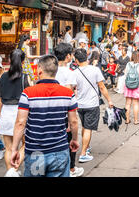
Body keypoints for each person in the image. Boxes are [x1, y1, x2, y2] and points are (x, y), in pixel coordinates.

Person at [11, 55, 80, 177]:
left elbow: (21, 123)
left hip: (35, 152)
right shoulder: (68, 94)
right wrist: (74, 139)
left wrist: (14, 149)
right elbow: (73, 122)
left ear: (39, 70)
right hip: (59, 151)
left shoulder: (28, 93)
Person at [68, 49, 114, 163]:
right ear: (87, 57)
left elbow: (71, 89)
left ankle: (86, 147)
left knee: (85, 126)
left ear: (76, 60)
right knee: (88, 128)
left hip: (80, 104)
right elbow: (102, 87)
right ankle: (83, 153)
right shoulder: (95, 70)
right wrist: (109, 100)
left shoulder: (75, 72)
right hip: (92, 104)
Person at [0, 49, 29, 177]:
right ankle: (14, 171)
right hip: (20, 113)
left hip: (6, 112)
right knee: (25, 144)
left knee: (9, 147)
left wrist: (0, 114)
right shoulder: (25, 77)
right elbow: (29, 99)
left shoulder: (3, 76)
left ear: (9, 60)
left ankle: (9, 171)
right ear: (23, 61)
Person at [54, 43, 85, 177]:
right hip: (65, 111)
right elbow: (68, 95)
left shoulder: (51, 70)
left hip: (50, 109)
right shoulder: (69, 73)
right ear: (68, 56)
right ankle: (71, 168)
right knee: (70, 140)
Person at [123, 51, 139, 124]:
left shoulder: (128, 64)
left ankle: (127, 120)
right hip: (137, 86)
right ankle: (136, 120)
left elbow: (125, 74)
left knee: (127, 103)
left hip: (128, 85)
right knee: (135, 104)